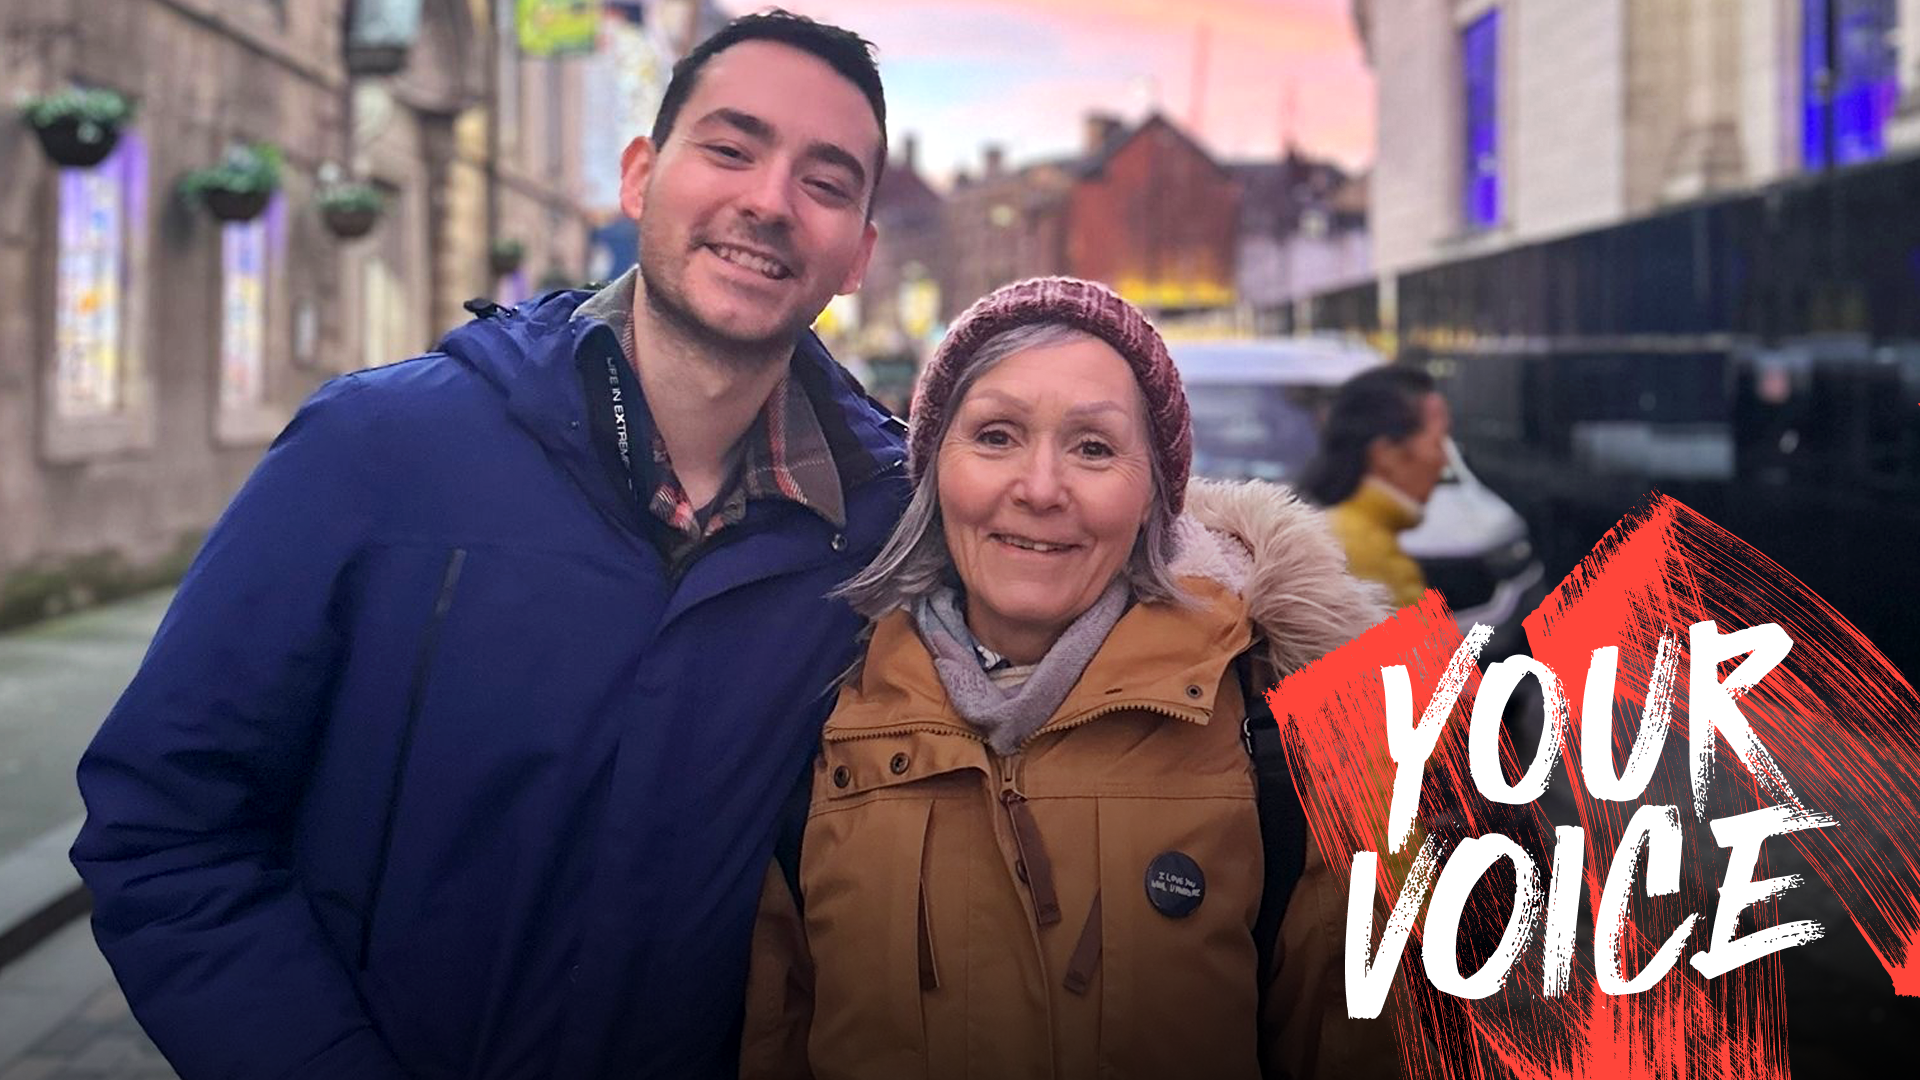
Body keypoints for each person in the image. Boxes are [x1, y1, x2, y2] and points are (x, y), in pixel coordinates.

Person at [70, 11, 906, 1079]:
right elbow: (164, 825)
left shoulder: (880, 536)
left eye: (827, 183)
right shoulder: (379, 448)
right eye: (730, 149)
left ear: (860, 255)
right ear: (642, 175)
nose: (768, 202)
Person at [737, 277, 1398, 1080]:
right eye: (995, 436)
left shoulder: (1274, 740)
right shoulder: (825, 722)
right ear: (934, 469)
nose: (1041, 489)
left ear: (1155, 490)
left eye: (1093, 447)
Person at [1298, 366, 1451, 609]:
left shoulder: (1342, 535)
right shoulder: (1359, 553)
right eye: (1438, 442)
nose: (1445, 459)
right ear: (1386, 454)